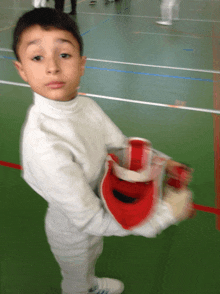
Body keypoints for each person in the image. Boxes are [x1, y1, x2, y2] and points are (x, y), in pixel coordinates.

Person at [13, 8, 193, 294]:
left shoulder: (85, 106)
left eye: (64, 54)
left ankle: (90, 284)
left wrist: (164, 162)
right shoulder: (44, 142)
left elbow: (119, 145)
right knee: (76, 272)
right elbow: (90, 220)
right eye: (37, 57)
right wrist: (164, 215)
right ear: (21, 69)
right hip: (74, 231)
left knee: (89, 261)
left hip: (100, 207)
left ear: (82, 64)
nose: (52, 67)